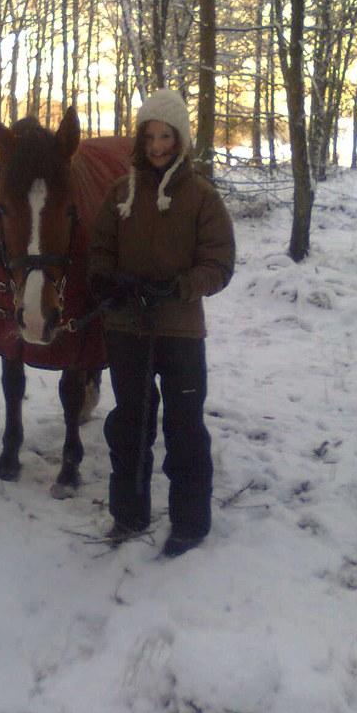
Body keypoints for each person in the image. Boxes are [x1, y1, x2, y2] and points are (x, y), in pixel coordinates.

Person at [88, 89, 235, 557]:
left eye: (165, 136)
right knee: (130, 421)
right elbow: (99, 252)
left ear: (181, 139)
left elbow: (219, 263)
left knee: (184, 424)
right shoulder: (119, 193)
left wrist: (182, 286)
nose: (156, 146)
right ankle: (128, 513)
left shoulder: (201, 197)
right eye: (149, 136)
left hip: (180, 331)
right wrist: (112, 282)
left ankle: (190, 521)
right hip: (127, 328)